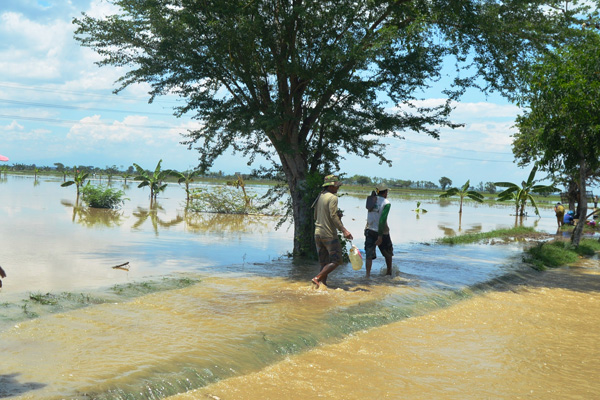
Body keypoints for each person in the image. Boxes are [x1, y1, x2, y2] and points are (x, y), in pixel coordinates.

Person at [312, 174, 353, 288]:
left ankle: (321, 286)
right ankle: (317, 278)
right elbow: (333, 216)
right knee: (337, 261)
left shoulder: (320, 196)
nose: (338, 188)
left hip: (318, 233)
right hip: (328, 234)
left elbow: (316, 215)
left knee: (323, 263)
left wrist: (334, 217)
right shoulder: (333, 198)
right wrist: (344, 230)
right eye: (336, 186)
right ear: (330, 186)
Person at [364, 183, 393, 277]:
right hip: (382, 232)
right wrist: (380, 236)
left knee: (368, 255)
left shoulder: (371, 200)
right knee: (388, 253)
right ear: (385, 192)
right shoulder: (386, 203)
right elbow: (382, 220)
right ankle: (389, 272)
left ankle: (367, 275)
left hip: (369, 229)